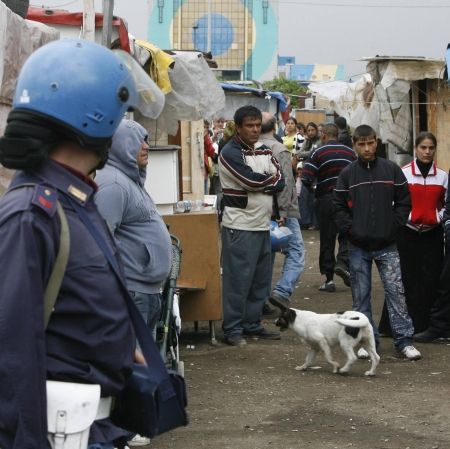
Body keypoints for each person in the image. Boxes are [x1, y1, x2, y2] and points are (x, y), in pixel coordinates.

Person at [0, 39, 151, 449]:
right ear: (95, 118)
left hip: (95, 429)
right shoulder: (33, 213)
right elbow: (11, 349)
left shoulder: (74, 201)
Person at [333, 124, 422, 360]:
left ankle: (404, 342)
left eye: (370, 143)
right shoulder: (347, 175)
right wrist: (352, 230)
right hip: (358, 247)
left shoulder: (391, 170)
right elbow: (338, 207)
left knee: (396, 293)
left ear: (377, 142)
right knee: (360, 296)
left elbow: (404, 201)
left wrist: (394, 226)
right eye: (361, 144)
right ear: (354, 145)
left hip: (388, 245)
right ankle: (365, 342)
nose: (366, 148)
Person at [95, 119, 172, 339]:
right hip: (131, 292)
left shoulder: (129, 181)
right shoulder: (113, 185)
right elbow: (100, 241)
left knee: (143, 362)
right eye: (139, 141)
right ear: (121, 144)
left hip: (144, 291)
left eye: (146, 140)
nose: (146, 146)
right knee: (133, 364)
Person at [219, 105, 285, 347]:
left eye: (258, 125)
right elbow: (249, 180)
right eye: (250, 125)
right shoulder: (230, 152)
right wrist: (266, 183)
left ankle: (252, 324)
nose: (255, 130)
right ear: (238, 128)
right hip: (239, 226)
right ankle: (233, 329)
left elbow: (281, 179)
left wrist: (264, 183)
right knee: (238, 281)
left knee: (260, 280)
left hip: (261, 224)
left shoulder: (265, 149)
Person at [379, 132, 447, 335]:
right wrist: (404, 219)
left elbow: (446, 204)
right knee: (402, 279)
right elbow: (394, 202)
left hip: (432, 235)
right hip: (406, 234)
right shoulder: (403, 173)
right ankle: (392, 327)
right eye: (423, 148)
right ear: (415, 149)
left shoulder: (443, 176)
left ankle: (425, 327)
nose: (427, 152)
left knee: (431, 279)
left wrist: (438, 217)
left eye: (431, 148)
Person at [301, 123, 356, 292]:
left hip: (325, 200)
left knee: (327, 239)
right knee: (348, 234)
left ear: (323, 135)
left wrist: (315, 190)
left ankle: (329, 280)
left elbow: (306, 178)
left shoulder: (318, 152)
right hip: (347, 201)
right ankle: (343, 262)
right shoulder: (351, 153)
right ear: (337, 135)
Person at [260, 112, 305, 307]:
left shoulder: (249, 147)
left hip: (260, 210)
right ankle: (282, 290)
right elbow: (286, 184)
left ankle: (261, 300)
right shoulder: (279, 149)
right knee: (296, 251)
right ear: (275, 126)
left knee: (266, 255)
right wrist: (284, 213)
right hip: (281, 211)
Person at [296, 122, 321, 230]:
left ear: (316, 130)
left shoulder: (320, 141)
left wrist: (307, 153)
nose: (310, 132)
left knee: (313, 198)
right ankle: (305, 221)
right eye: (309, 130)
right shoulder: (307, 141)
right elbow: (299, 153)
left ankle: (315, 223)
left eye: (312, 130)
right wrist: (307, 152)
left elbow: (314, 153)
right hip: (306, 173)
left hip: (316, 173)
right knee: (304, 197)